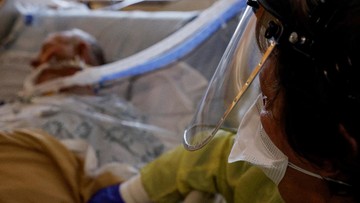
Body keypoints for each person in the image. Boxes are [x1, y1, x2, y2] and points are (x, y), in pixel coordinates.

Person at [89, 0, 360, 202]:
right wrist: (130, 195)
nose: (250, 124)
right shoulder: (265, 183)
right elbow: (217, 155)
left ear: (332, 153)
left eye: (266, 102)